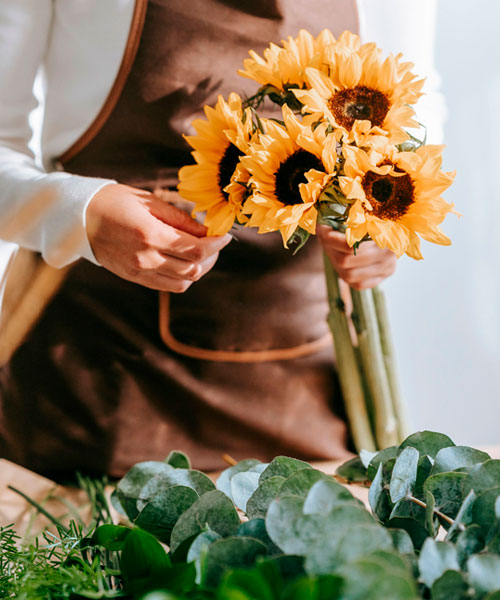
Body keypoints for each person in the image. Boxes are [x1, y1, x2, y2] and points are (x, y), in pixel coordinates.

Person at [0, 0, 443, 479]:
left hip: (309, 378)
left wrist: (384, 215)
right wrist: (79, 212)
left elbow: (415, 103)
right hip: (96, 372)